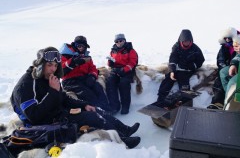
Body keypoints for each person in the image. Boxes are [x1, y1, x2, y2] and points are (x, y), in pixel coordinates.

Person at [10, 47, 141, 149]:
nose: (53, 69)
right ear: (40, 65)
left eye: (55, 66)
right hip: (43, 123)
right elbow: (34, 116)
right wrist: (52, 92)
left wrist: (84, 105)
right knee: (92, 117)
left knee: (95, 109)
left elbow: (64, 99)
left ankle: (125, 130)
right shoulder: (25, 85)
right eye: (49, 65)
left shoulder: (48, 78)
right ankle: (122, 141)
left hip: (56, 112)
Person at [59, 36, 110, 111]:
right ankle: (98, 113)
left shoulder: (86, 57)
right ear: (74, 45)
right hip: (70, 81)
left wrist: (92, 76)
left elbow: (93, 68)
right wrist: (73, 62)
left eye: (83, 46)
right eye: (79, 46)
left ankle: (106, 110)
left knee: (97, 87)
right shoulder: (65, 55)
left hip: (84, 78)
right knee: (88, 94)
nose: (81, 48)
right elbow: (60, 70)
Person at [157, 29, 205, 102]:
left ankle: (185, 102)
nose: (186, 43)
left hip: (188, 70)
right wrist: (172, 71)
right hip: (177, 68)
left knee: (184, 82)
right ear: (181, 41)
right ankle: (161, 99)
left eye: (188, 41)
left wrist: (192, 65)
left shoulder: (195, 48)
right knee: (167, 79)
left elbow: (201, 60)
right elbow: (172, 59)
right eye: (185, 41)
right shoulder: (176, 47)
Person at [207, 27, 240, 109]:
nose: (227, 40)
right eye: (225, 38)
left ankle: (230, 103)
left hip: (239, 70)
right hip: (227, 69)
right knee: (218, 83)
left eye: (229, 38)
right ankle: (217, 102)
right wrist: (225, 67)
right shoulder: (224, 48)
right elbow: (220, 60)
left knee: (232, 83)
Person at [106, 34, 138, 115]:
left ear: (124, 40)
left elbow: (133, 62)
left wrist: (124, 69)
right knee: (110, 82)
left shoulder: (130, 50)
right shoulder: (113, 51)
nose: (119, 42)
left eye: (121, 40)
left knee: (123, 83)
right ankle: (115, 106)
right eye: (117, 41)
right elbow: (110, 64)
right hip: (116, 70)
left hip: (127, 71)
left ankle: (125, 106)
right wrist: (110, 62)